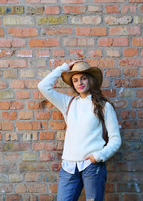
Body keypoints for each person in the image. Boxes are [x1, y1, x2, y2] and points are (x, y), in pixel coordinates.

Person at [38, 60, 122, 201]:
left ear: (90, 80)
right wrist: (64, 68)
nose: (80, 83)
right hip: (68, 167)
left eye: (83, 78)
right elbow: (43, 86)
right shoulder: (68, 103)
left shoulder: (104, 106)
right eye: (75, 80)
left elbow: (115, 139)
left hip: (92, 166)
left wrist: (99, 156)